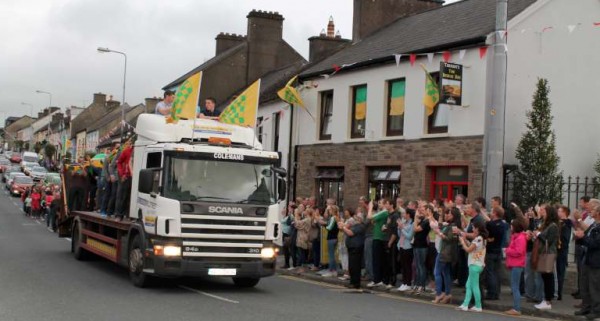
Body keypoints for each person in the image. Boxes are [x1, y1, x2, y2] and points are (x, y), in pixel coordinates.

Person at [573, 199, 600, 319]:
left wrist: (582, 237)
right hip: (587, 258)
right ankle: (586, 307)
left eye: (593, 209)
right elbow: (585, 237)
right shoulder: (594, 225)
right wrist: (579, 237)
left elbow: (595, 243)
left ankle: (596, 310)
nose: (590, 211)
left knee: (594, 287)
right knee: (585, 285)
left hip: (596, 261)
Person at [531, 204, 559, 310]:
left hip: (548, 253)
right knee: (545, 276)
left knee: (548, 277)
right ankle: (545, 300)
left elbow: (549, 240)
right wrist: (536, 235)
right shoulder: (547, 225)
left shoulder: (553, 226)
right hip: (543, 252)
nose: (543, 214)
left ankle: (548, 301)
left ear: (550, 213)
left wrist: (538, 234)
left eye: (545, 212)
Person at [457, 220, 488, 312]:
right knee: (468, 285)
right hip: (478, 264)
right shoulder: (481, 239)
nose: (473, 228)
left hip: (474, 265)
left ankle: (478, 306)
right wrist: (465, 239)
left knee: (474, 286)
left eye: (474, 227)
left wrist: (462, 242)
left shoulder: (478, 239)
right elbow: (472, 247)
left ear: (477, 229)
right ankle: (465, 304)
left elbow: (468, 250)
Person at [433, 207, 460, 304]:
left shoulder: (453, 226)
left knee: (437, 272)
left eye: (449, 214)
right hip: (447, 252)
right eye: (447, 214)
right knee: (446, 273)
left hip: (445, 253)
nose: (447, 215)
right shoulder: (449, 225)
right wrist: (440, 216)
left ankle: (439, 293)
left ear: (454, 216)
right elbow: (440, 226)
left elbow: (449, 239)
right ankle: (447, 294)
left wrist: (439, 233)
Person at [367, 198, 393, 288]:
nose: (378, 204)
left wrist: (370, 207)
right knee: (380, 260)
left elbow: (369, 217)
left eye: (380, 203)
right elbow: (373, 221)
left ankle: (377, 280)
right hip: (379, 236)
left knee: (376, 260)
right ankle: (379, 279)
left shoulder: (383, 212)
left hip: (378, 238)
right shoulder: (383, 212)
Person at [505, 216, 528, 316]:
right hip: (515, 264)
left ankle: (517, 308)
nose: (510, 227)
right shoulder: (517, 237)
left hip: (517, 264)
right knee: (514, 286)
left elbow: (519, 251)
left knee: (515, 287)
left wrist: (507, 251)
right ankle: (515, 307)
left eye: (512, 226)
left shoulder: (520, 238)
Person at [484, 206, 507, 300]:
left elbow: (488, 224)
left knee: (490, 272)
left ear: (495, 213)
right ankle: (497, 293)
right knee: (497, 273)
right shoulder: (504, 224)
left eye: (492, 211)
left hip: (490, 250)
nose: (491, 213)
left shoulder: (490, 224)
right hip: (499, 250)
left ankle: (491, 293)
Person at [340, 210, 366, 290]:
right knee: (351, 266)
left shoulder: (360, 226)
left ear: (360, 219)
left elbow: (350, 233)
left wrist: (343, 227)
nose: (355, 218)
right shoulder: (355, 225)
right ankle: (352, 282)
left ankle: (356, 283)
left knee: (355, 266)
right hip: (351, 247)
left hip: (356, 248)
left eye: (357, 217)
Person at [412, 203, 432, 294]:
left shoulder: (427, 221)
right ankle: (418, 283)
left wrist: (416, 218)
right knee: (417, 265)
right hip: (416, 244)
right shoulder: (423, 220)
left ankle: (421, 285)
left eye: (423, 210)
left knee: (421, 266)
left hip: (422, 246)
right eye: (421, 210)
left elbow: (415, 229)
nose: (421, 211)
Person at [556, 205, 572, 301]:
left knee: (560, 272)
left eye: (559, 211)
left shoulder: (567, 224)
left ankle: (559, 293)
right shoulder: (559, 223)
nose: (558, 213)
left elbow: (565, 239)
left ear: (564, 213)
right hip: (557, 251)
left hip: (561, 251)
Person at [397, 208, 415, 292]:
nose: (403, 215)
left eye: (404, 213)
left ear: (408, 214)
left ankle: (408, 283)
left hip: (408, 247)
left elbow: (409, 236)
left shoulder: (413, 223)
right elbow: (399, 234)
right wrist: (399, 228)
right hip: (401, 245)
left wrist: (402, 229)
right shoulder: (405, 222)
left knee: (408, 266)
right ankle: (404, 283)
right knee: (403, 266)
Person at [115, 140, 133, 221]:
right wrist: (122, 174)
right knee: (123, 196)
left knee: (132, 197)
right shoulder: (126, 151)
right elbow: (119, 162)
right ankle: (119, 215)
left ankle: (130, 215)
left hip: (137, 177)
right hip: (127, 176)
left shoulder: (141, 152)